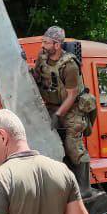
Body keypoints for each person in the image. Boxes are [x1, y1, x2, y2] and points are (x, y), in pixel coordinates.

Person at [32, 26, 92, 195]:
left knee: (73, 146)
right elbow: (36, 77)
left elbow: (72, 95)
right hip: (51, 106)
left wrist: (58, 115)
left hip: (71, 108)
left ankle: (84, 187)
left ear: (57, 45)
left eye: (46, 42)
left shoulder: (69, 65)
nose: (43, 45)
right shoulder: (42, 57)